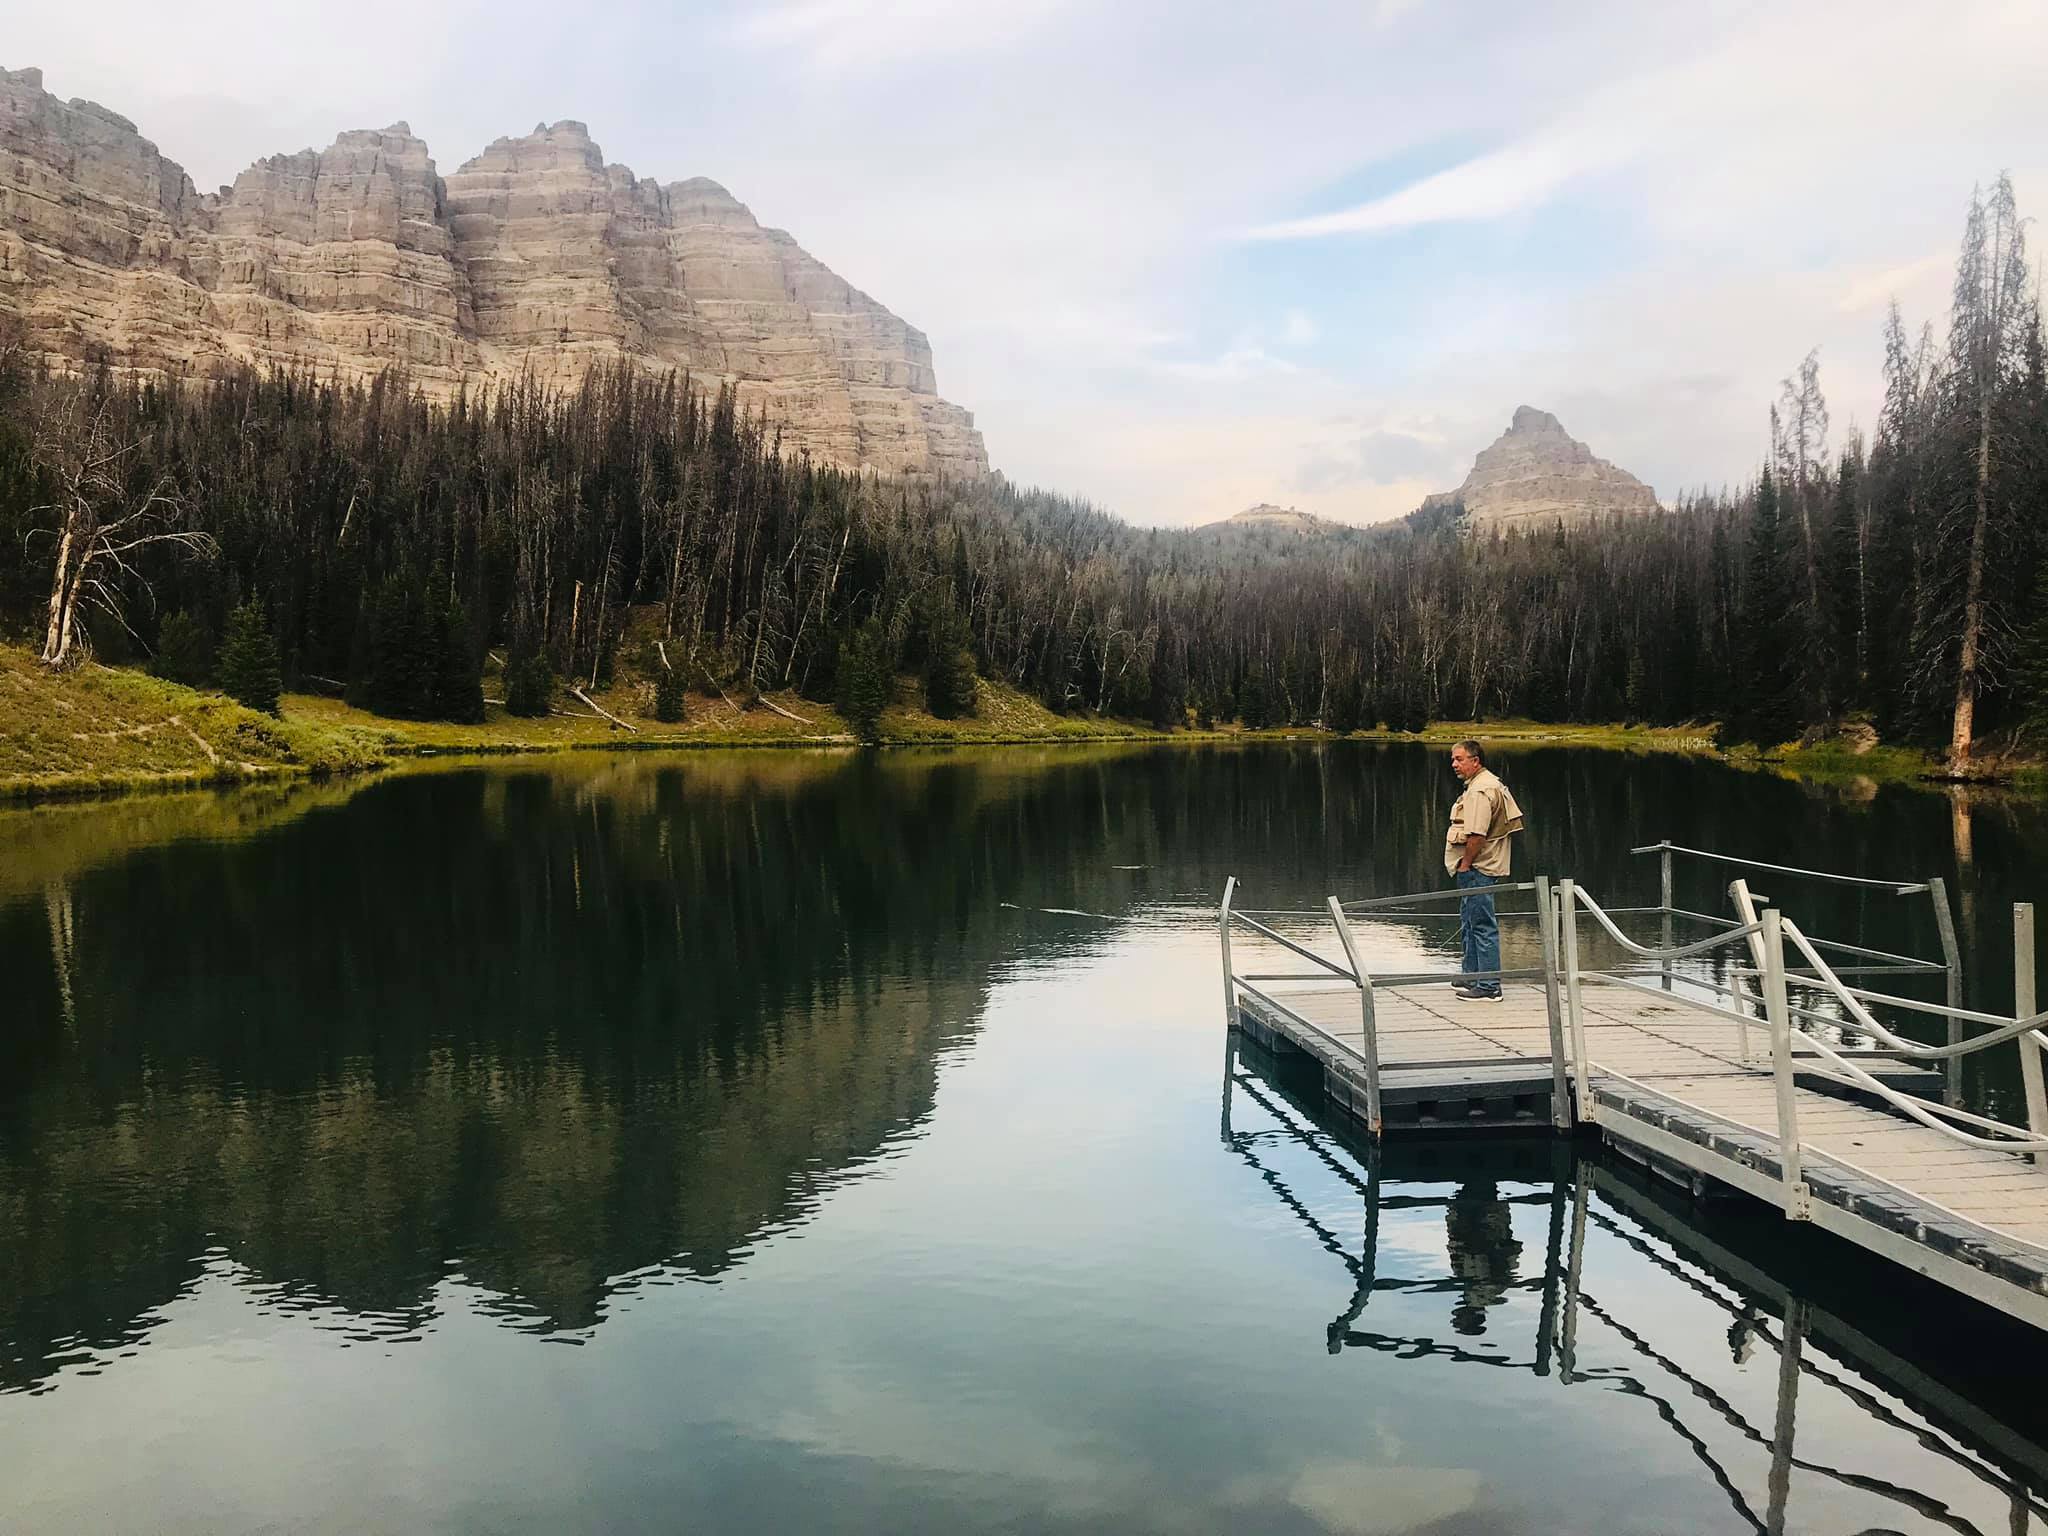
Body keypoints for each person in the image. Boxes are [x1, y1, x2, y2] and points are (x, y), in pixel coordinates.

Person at [1444, 740, 1524, 1002]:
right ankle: (1472, 975)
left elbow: (1476, 835)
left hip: (1479, 867)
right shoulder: (1489, 782)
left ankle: (1489, 986)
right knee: (1469, 922)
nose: (1454, 764)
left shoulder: (1480, 790)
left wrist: (1465, 865)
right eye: (1453, 759)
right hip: (1481, 866)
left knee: (1481, 924)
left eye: (1459, 759)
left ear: (1475, 760)